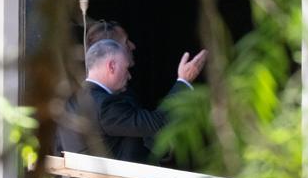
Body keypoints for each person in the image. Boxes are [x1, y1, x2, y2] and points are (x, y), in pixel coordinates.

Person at [57, 38, 207, 162]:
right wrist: (184, 82)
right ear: (111, 66)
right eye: (126, 68)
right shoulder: (105, 105)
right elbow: (157, 124)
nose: (129, 76)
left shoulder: (70, 101)